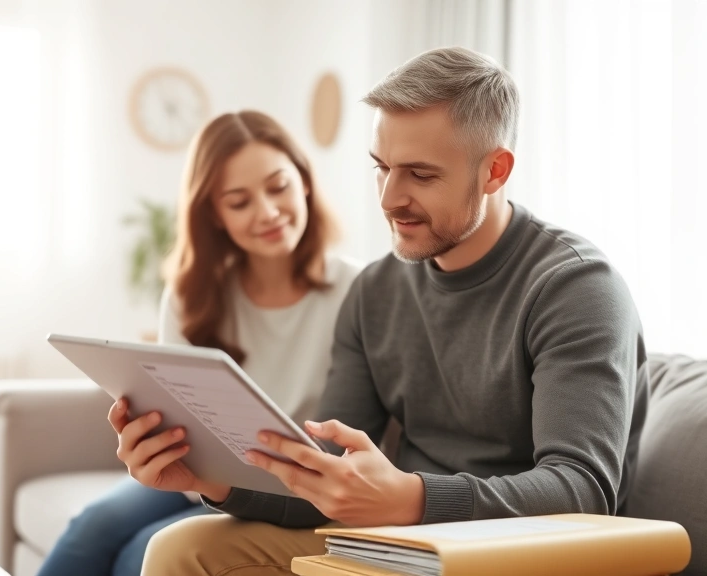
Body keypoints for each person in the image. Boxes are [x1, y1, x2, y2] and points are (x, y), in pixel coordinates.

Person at [120, 47, 649, 576]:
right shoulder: (376, 291)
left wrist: (414, 500)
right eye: (382, 168)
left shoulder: (574, 288)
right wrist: (206, 478)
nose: (389, 197)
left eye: (419, 174)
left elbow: (583, 487)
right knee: (179, 548)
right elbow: (321, 477)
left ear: (494, 170)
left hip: (522, 555)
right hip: (403, 544)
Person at [36, 110, 363, 576]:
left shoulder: (358, 290)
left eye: (278, 186)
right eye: (239, 201)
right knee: (92, 527)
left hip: (280, 490)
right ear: (214, 214)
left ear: (304, 181)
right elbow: (179, 421)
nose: (268, 212)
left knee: (139, 554)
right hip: (200, 474)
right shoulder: (192, 296)